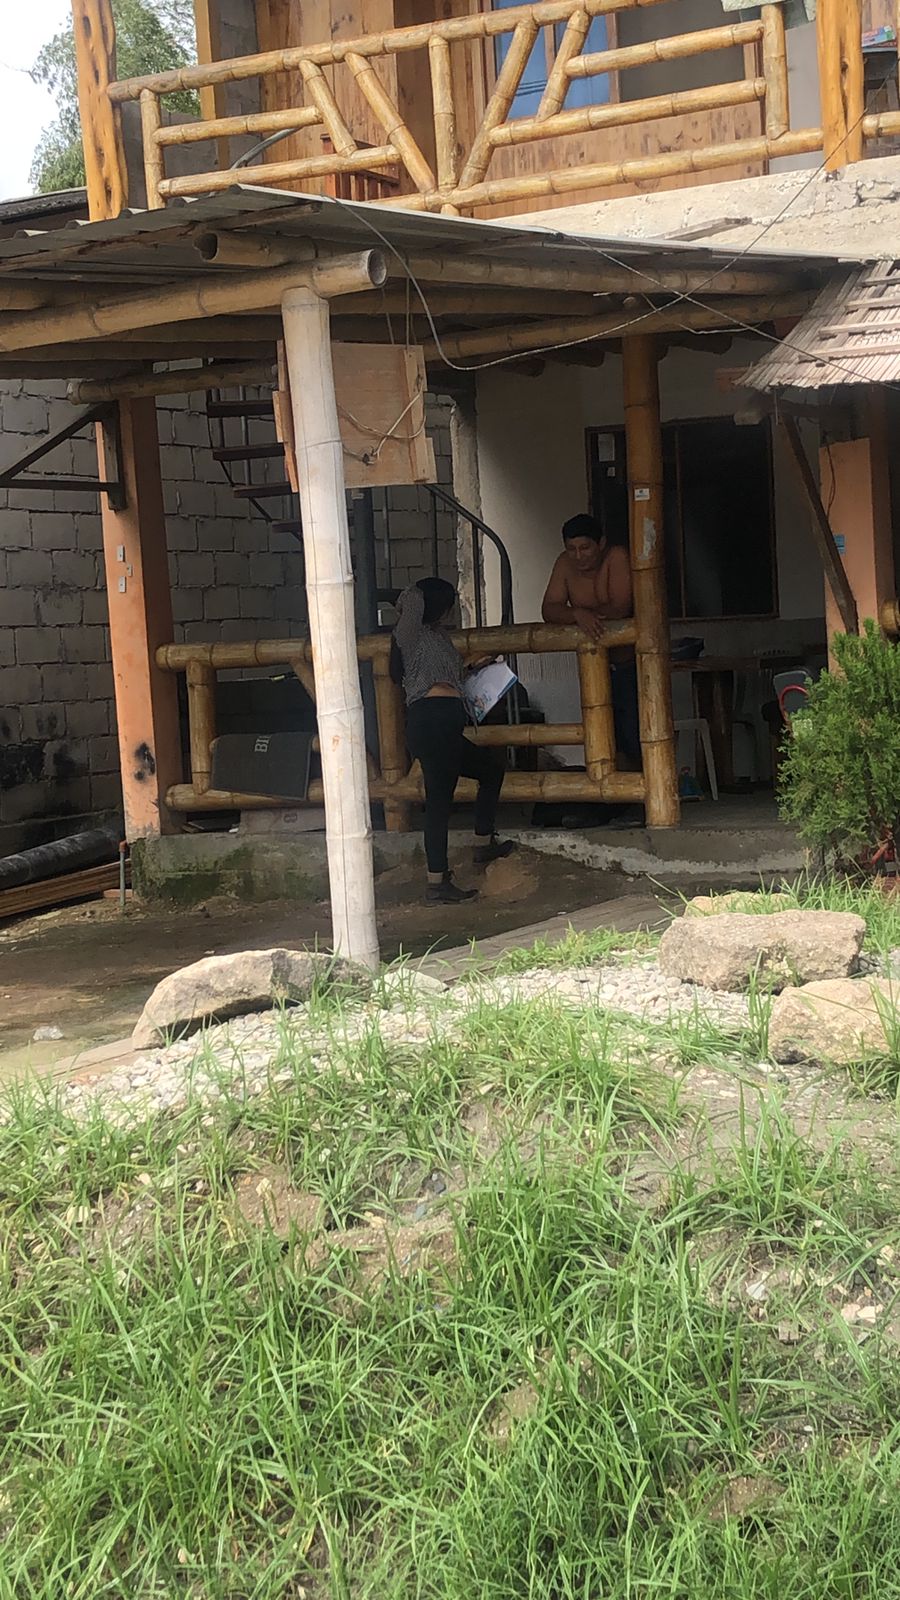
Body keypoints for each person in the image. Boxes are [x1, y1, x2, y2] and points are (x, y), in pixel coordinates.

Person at [391, 577, 514, 904]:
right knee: (439, 801)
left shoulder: (438, 637)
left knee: (490, 771)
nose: (450, 610)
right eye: (447, 604)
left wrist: (476, 664)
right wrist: (417, 593)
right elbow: (410, 598)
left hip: (446, 723)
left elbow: (451, 675)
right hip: (431, 721)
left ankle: (483, 842)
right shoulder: (409, 634)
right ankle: (437, 881)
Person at [541, 512, 640, 765]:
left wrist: (585, 616)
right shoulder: (564, 564)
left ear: (601, 543)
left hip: (632, 664)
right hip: (593, 666)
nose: (578, 556)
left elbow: (620, 608)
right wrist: (577, 614)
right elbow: (549, 609)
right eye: (571, 549)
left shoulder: (616, 557)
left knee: (636, 736)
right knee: (604, 739)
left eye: (585, 548)